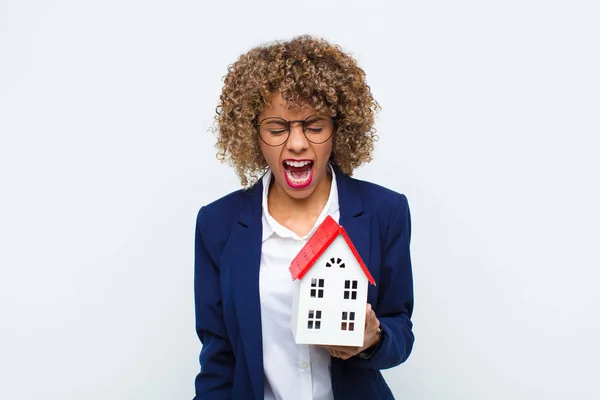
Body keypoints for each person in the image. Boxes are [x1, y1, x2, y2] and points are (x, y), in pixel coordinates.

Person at [193, 35, 414, 400]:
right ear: (254, 134)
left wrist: (374, 338)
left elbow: (400, 331)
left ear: (337, 130)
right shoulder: (217, 224)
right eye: (277, 129)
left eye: (314, 126)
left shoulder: (384, 211)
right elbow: (219, 361)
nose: (296, 144)